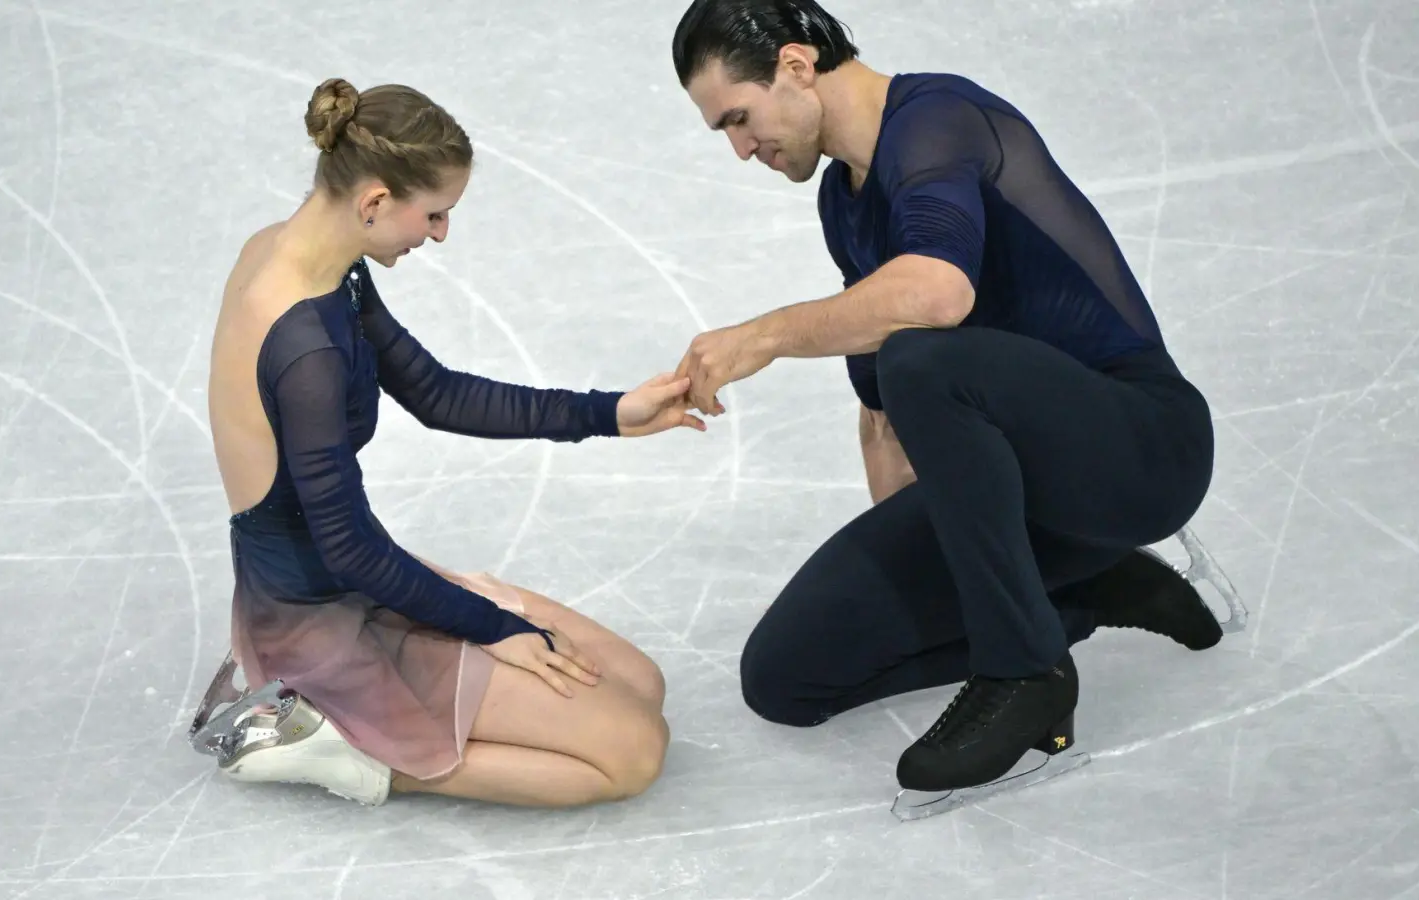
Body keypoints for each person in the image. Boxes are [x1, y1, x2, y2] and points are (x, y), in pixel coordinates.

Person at [667, 0, 1235, 806]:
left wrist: (763, 336)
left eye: (738, 117)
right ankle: (1087, 592)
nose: (739, 148)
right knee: (786, 677)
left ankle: (1025, 671)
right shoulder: (842, 200)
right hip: (1024, 498)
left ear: (795, 66)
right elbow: (884, 414)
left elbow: (937, 296)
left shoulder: (935, 121)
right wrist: (932, 574)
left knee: (921, 356)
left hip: (1141, 451)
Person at [193, 77, 701, 809]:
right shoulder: (305, 346)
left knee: (641, 684)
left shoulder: (305, 258)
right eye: (433, 214)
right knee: (633, 753)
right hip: (315, 621)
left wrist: (612, 412)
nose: (439, 234)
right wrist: (494, 628)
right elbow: (349, 549)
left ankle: (367, 718)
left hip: (349, 576)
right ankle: (330, 745)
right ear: (374, 201)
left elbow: (435, 393)